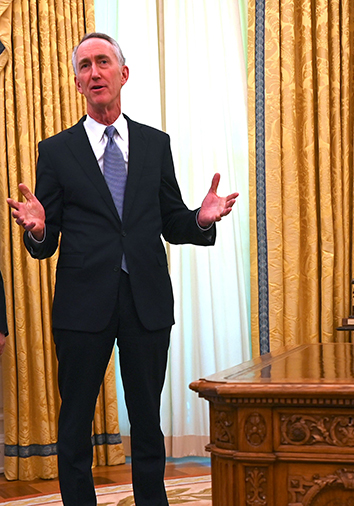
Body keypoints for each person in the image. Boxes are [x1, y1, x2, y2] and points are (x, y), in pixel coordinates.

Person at [6, 32, 238, 506]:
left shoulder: (156, 144)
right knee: (74, 425)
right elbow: (44, 243)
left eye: (103, 63)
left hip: (146, 302)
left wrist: (199, 217)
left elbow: (172, 221)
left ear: (123, 74)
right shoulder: (55, 151)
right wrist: (36, 228)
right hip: (81, 305)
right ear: (77, 83)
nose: (95, 72)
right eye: (86, 66)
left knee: (147, 421)